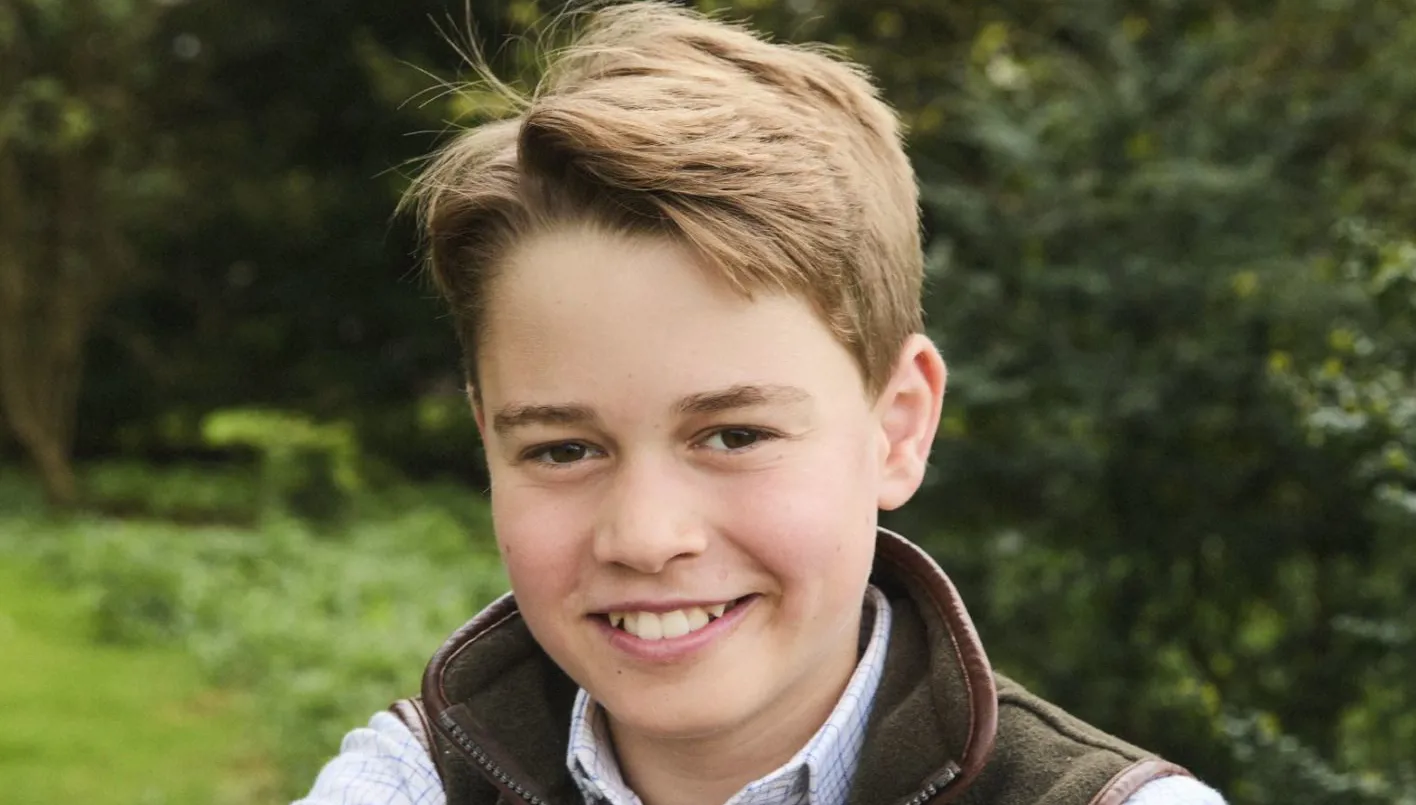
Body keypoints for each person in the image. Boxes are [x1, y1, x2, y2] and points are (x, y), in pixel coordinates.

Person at [295, 3, 1227, 804]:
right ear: (489, 444)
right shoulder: (417, 777)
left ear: (898, 425)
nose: (645, 536)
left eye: (734, 434)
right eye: (563, 449)